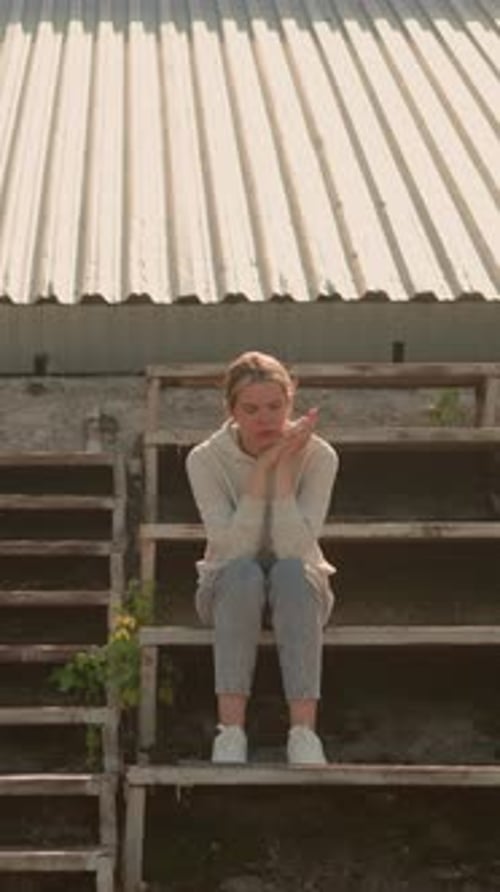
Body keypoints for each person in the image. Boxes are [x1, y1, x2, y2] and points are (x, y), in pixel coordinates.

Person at [186, 351, 339, 765]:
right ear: (232, 411)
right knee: (243, 572)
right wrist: (260, 474)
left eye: (276, 407)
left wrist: (283, 468)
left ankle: (304, 734)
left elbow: (295, 549)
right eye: (250, 409)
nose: (265, 419)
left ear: (290, 404)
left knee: (290, 570)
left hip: (300, 591)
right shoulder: (204, 460)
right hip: (226, 588)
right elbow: (232, 549)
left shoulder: (320, 457)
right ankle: (230, 732)